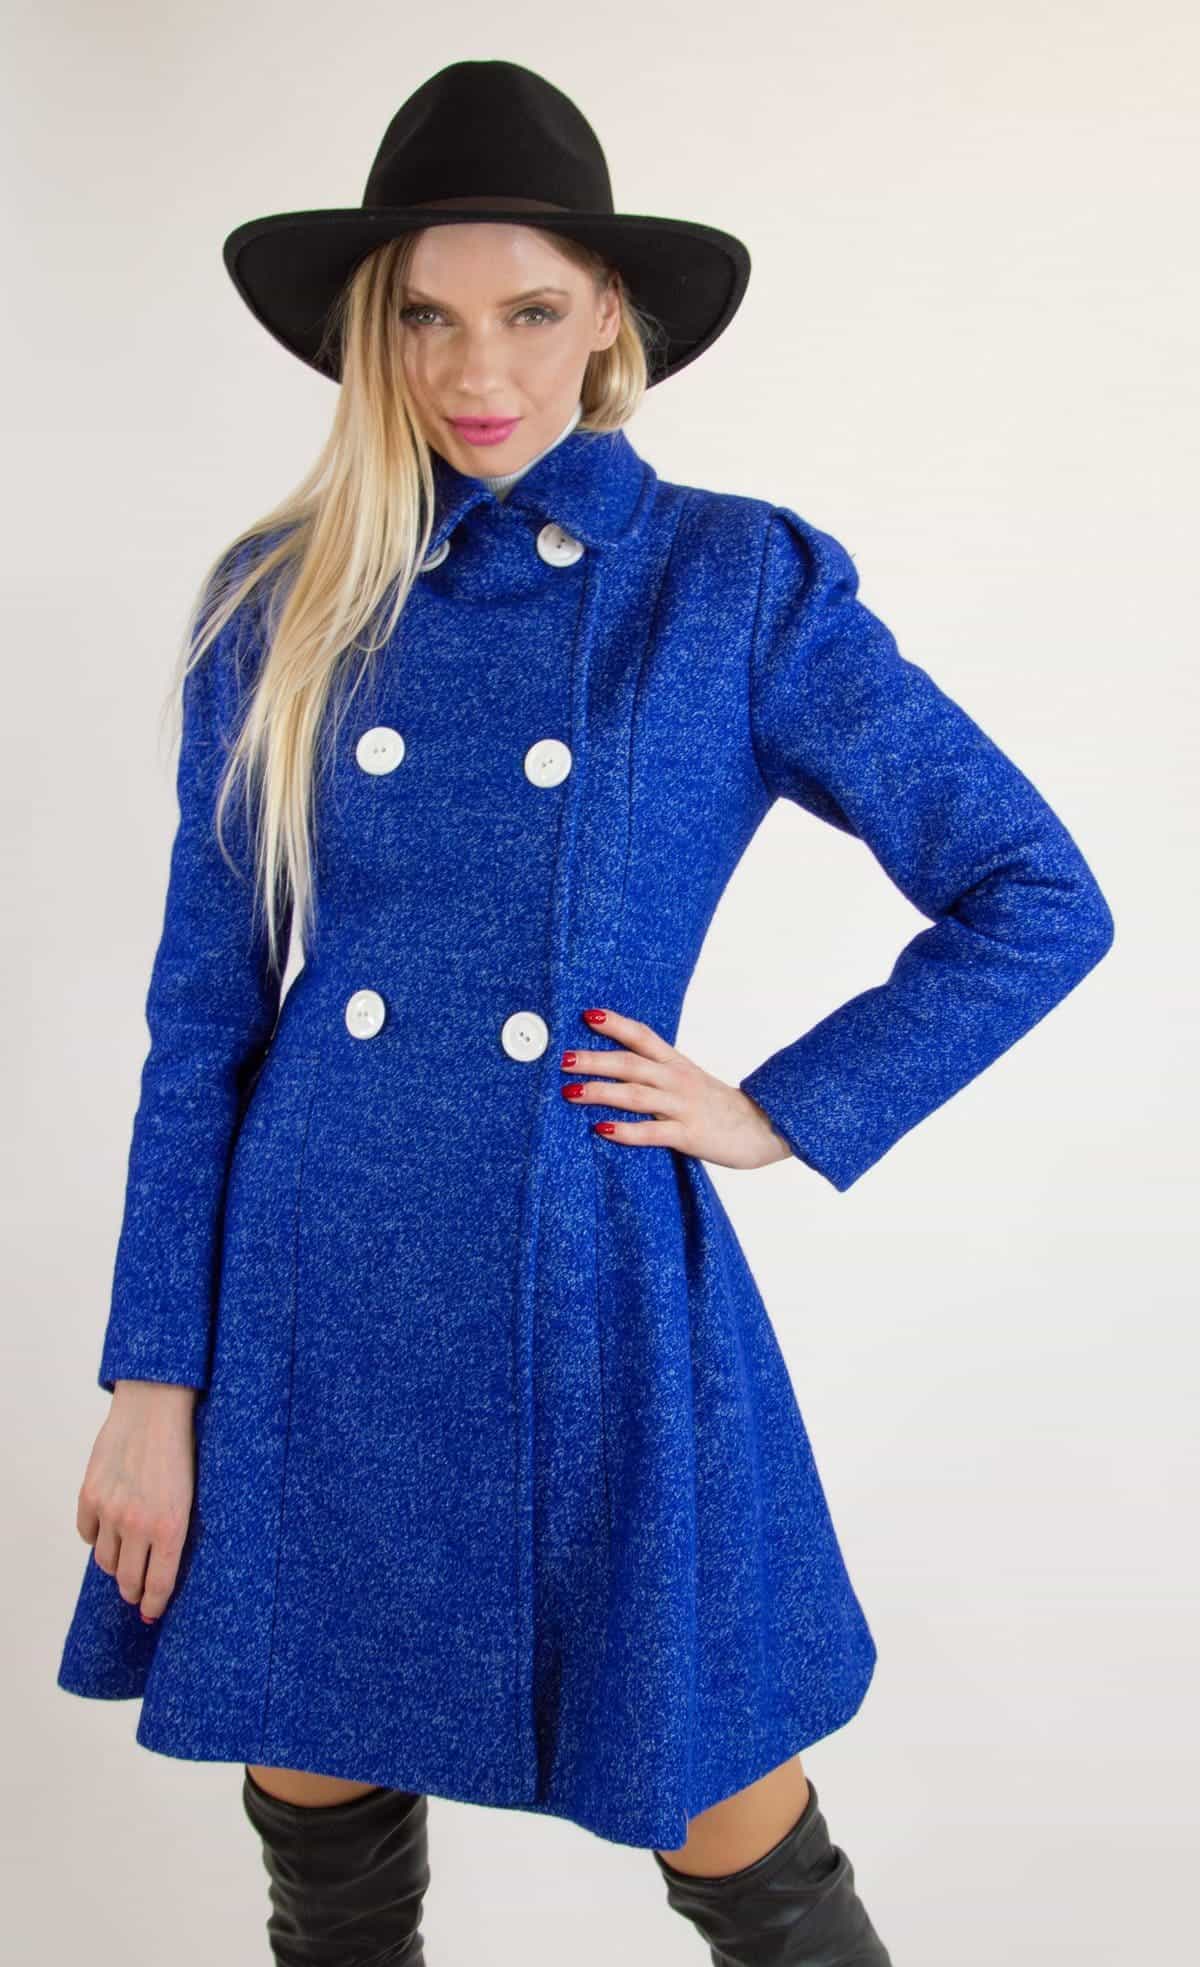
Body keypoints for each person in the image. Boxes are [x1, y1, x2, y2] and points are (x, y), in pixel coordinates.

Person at [56, 58, 1114, 1967]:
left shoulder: (730, 585)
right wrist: (154, 1379)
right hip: (312, 1285)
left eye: (533, 311)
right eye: (427, 318)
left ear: (611, 316)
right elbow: (201, 1025)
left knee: (734, 1821)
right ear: (371, 333)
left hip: (587, 1282)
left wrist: (785, 1106)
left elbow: (1037, 893)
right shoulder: (277, 599)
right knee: (318, 1829)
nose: (482, 370)